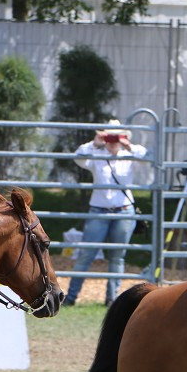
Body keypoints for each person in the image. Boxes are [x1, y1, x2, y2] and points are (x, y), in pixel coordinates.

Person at [63, 120, 146, 307]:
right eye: (109, 136)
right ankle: (71, 297)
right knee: (86, 254)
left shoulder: (129, 155)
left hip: (123, 211)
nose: (112, 140)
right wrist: (95, 142)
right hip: (99, 210)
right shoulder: (96, 154)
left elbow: (148, 157)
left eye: (116, 137)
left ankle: (111, 299)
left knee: (118, 256)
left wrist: (128, 145)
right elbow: (78, 157)